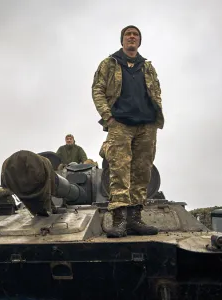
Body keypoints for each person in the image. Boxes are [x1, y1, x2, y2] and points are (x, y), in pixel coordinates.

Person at [92, 25, 165, 238]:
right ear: (122, 40)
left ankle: (135, 219)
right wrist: (109, 117)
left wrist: (155, 115)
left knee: (143, 171)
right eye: (127, 35)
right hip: (120, 124)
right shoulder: (109, 63)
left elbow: (156, 91)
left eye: (135, 35)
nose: (131, 37)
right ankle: (120, 220)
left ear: (139, 42)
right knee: (120, 170)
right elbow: (97, 89)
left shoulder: (147, 67)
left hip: (147, 125)